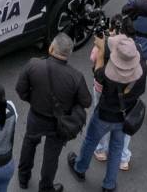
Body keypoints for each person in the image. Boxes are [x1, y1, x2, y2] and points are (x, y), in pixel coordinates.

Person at [13, 36, 91, 191]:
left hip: (36, 116)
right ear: (68, 54)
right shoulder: (76, 77)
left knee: (29, 144)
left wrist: (33, 100)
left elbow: (20, 90)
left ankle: (23, 178)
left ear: (51, 48)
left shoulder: (33, 65)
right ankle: (46, 187)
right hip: (60, 123)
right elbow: (86, 102)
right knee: (51, 156)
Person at [66, 34, 141, 190]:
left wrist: (101, 49)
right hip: (125, 116)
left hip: (104, 115)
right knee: (116, 148)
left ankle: (80, 168)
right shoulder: (142, 70)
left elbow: (97, 73)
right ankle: (109, 184)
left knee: (90, 141)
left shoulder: (108, 74)